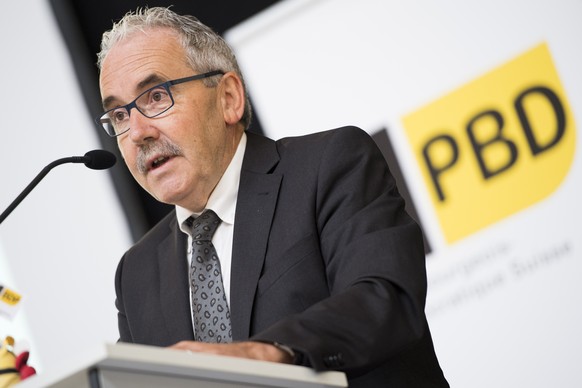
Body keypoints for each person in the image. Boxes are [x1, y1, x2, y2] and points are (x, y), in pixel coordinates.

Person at [96, 6, 448, 387]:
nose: (136, 133)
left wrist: (264, 353)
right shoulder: (137, 273)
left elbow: (384, 299)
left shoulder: (329, 166)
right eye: (118, 115)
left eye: (155, 96)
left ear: (229, 97)